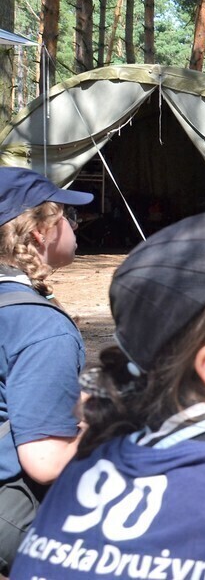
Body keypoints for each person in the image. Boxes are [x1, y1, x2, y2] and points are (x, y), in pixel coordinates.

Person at [0, 167, 93, 574]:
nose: (75, 227)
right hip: (11, 509)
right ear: (40, 232)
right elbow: (47, 461)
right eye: (68, 218)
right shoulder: (43, 326)